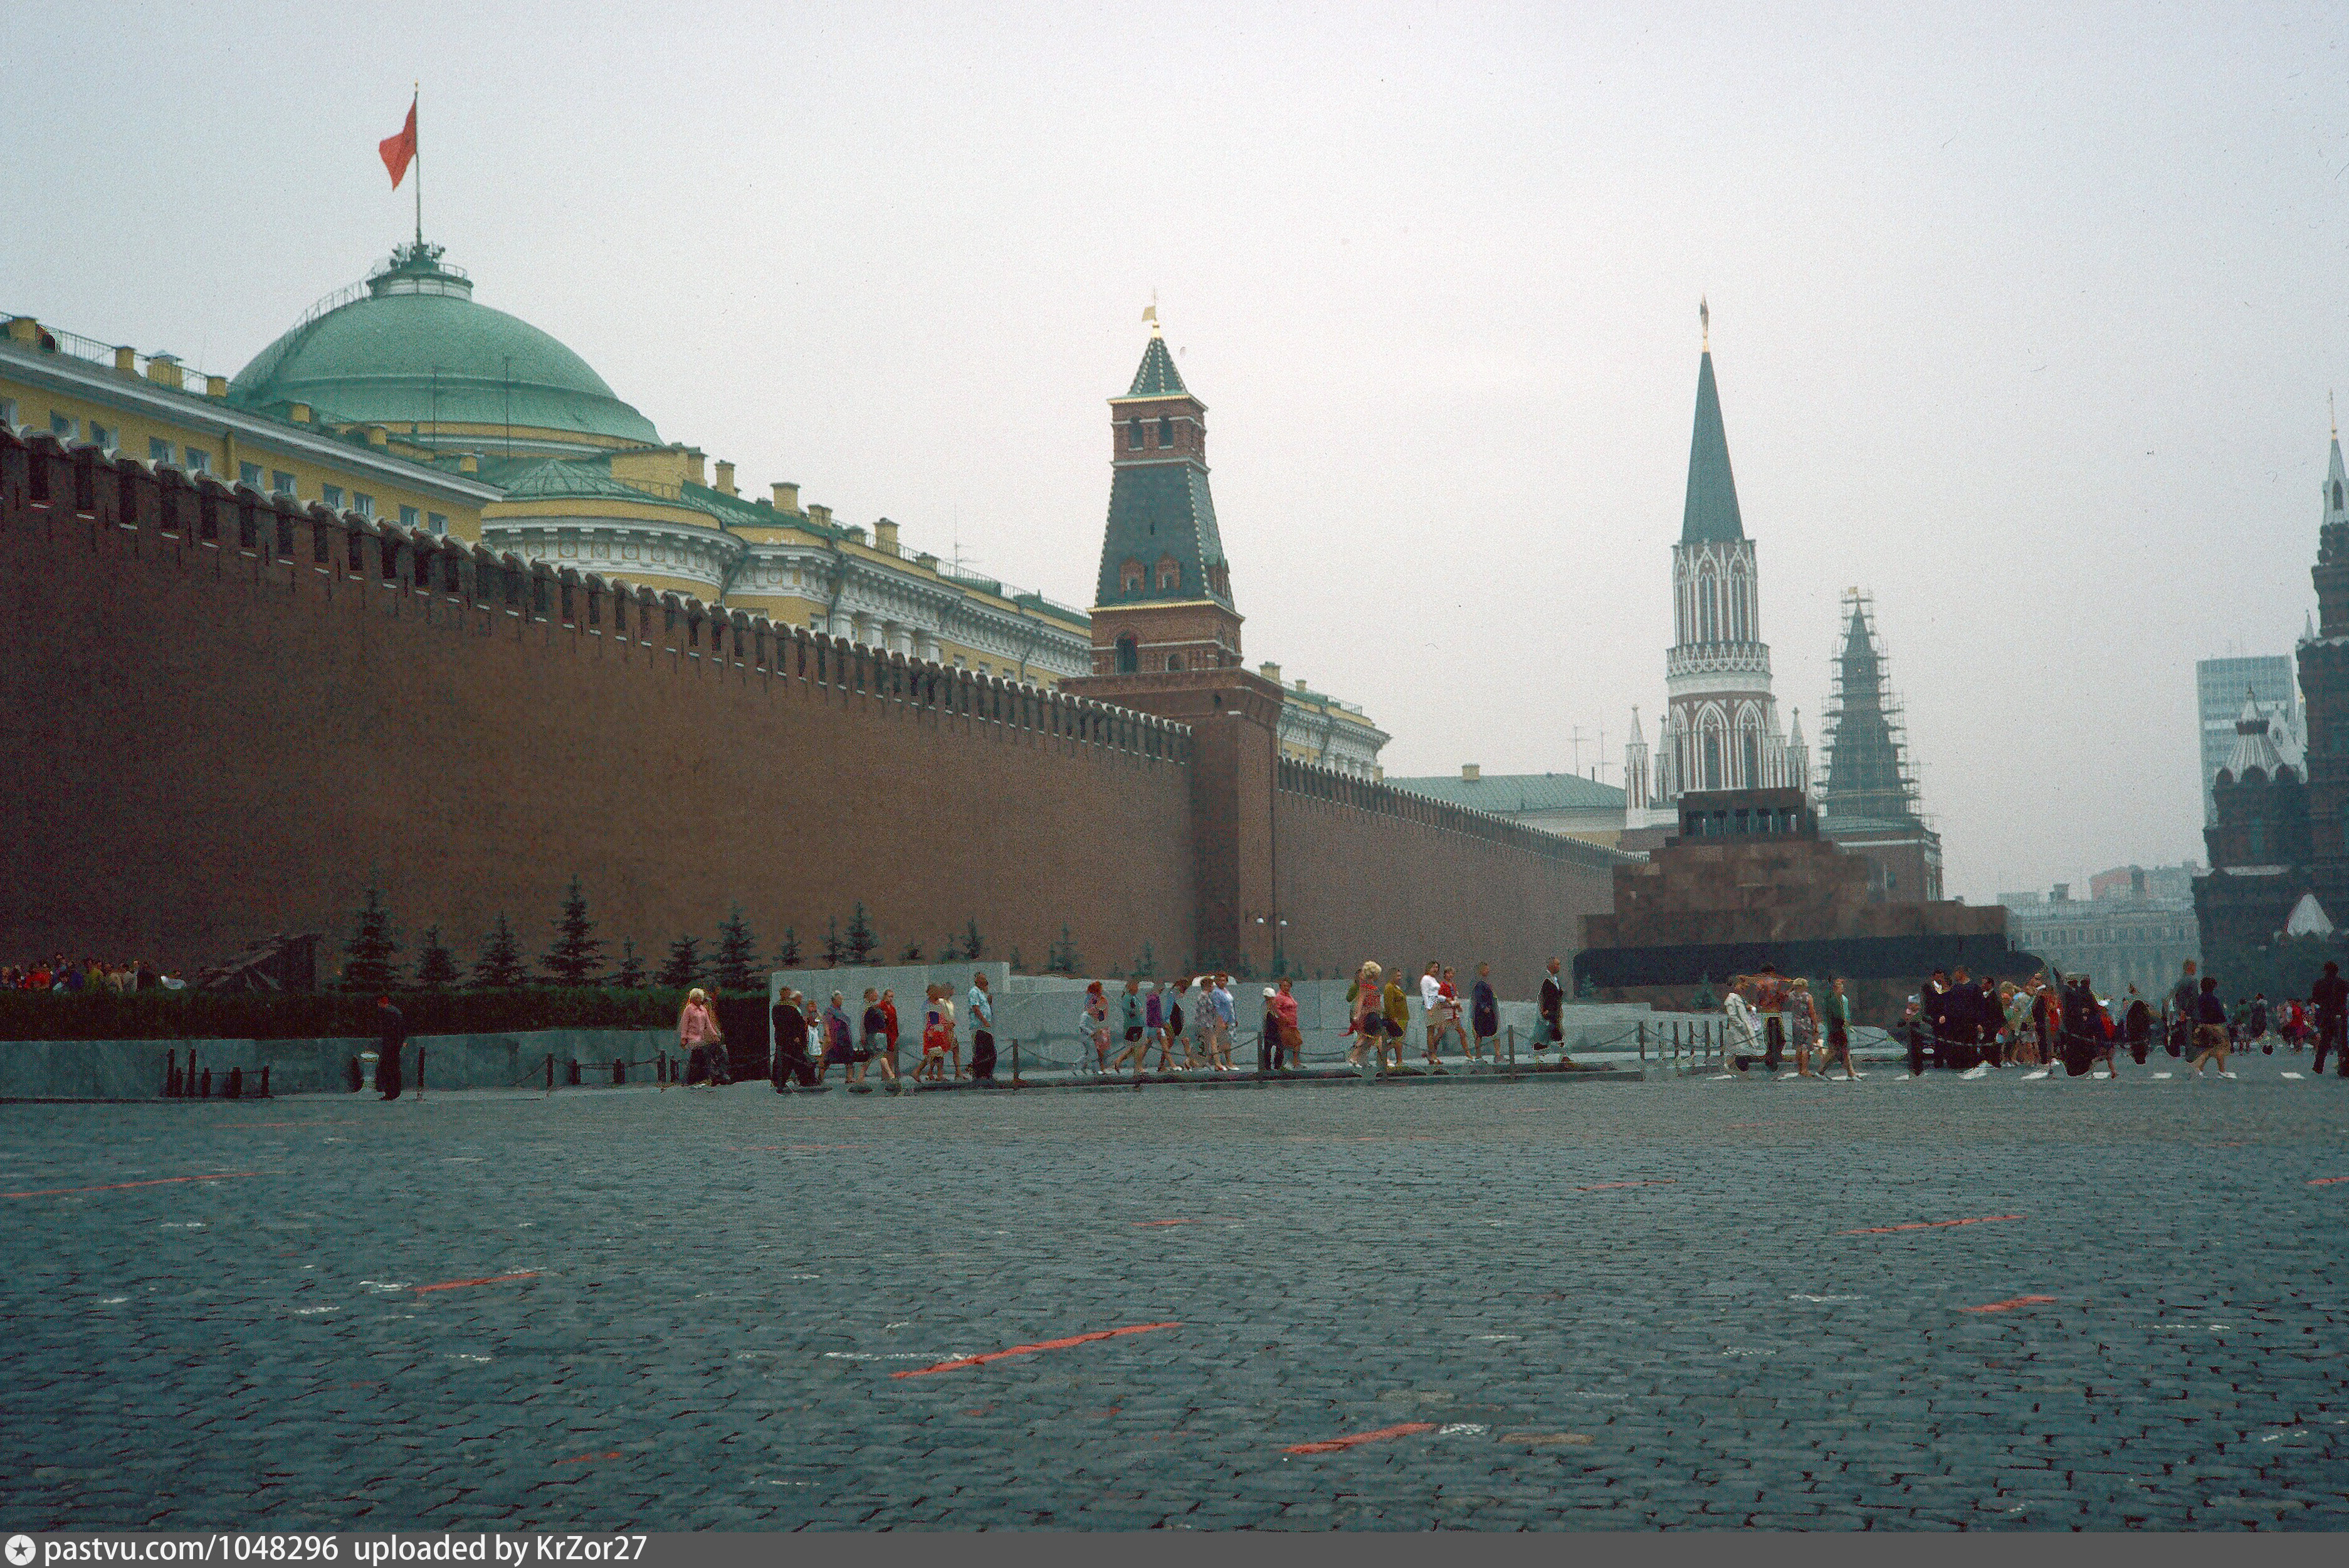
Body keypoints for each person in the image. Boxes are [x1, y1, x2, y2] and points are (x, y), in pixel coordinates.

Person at [2188, 975, 2233, 1080]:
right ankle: (2221, 1071)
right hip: (2214, 1027)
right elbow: (2219, 1014)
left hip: (2203, 1026)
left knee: (2207, 1050)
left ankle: (2198, 1070)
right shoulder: (2214, 1000)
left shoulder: (2199, 999)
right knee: (2220, 1048)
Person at [678, 987, 725, 1088]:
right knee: (701, 1059)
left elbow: (709, 1024)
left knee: (704, 1058)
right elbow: (686, 1025)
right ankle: (697, 1079)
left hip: (705, 1041)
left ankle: (712, 1077)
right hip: (699, 1040)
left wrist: (715, 1035)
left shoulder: (704, 1011)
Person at [770, 988, 814, 1088]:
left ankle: (779, 1081)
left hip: (783, 1039)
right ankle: (806, 1080)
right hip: (792, 1039)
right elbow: (791, 1024)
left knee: (785, 1060)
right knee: (796, 1059)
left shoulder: (778, 1007)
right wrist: (796, 1036)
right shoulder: (788, 1008)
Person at [1347, 962, 1384, 1070]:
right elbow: (1359, 1002)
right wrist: (1357, 1015)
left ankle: (1354, 1058)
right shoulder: (1363, 987)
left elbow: (1376, 1003)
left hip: (1373, 1015)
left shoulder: (1371, 987)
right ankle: (1385, 1060)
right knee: (1375, 1037)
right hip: (1368, 1016)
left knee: (1368, 1039)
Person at [2315, 960, 2349, 1077]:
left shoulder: (2320, 983)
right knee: (2343, 1043)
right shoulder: (2343, 983)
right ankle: (2344, 1066)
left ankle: (2318, 1066)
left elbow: (2316, 998)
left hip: (2327, 1015)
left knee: (2324, 1042)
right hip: (2340, 1015)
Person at [1821, 976, 1858, 1080]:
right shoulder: (1833, 1000)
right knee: (1835, 1052)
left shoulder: (1842, 999)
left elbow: (1845, 1013)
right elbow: (1835, 1015)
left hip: (1840, 1028)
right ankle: (1821, 1071)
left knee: (1844, 1051)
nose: (1843, 990)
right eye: (1840, 988)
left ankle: (1851, 1073)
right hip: (1836, 1029)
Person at [374, 995, 406, 1102]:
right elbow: (401, 1030)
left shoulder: (388, 1013)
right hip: (395, 1045)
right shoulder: (396, 1012)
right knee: (394, 1068)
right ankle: (394, 1092)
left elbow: (389, 1030)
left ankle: (390, 1092)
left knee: (388, 1068)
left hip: (390, 1045)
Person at [967, 971, 997, 1082]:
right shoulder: (974, 992)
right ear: (977, 981)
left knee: (990, 1052)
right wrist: (984, 1021)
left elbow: (985, 1006)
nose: (985, 981)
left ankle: (988, 1074)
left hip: (986, 1027)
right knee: (982, 1051)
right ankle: (980, 1075)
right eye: (982, 979)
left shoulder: (982, 993)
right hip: (979, 1027)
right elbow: (976, 1009)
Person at [817, 992, 854, 1083]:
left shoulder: (840, 1011)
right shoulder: (829, 1010)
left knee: (849, 1059)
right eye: (840, 999)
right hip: (835, 1039)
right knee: (828, 1059)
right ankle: (820, 1079)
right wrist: (828, 1035)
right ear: (834, 1000)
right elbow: (826, 1022)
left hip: (844, 1039)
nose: (841, 1001)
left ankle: (849, 1078)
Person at [857, 988, 890, 1087]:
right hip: (871, 1034)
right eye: (875, 994)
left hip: (875, 1033)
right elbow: (862, 1022)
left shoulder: (874, 1006)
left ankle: (861, 1077)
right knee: (878, 1054)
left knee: (872, 1056)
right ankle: (890, 1075)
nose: (877, 996)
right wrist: (863, 1035)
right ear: (870, 995)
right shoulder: (866, 1007)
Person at [2169, 960, 2201, 1059]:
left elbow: (2176, 999)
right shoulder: (2193, 981)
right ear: (2189, 968)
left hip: (2181, 1014)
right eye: (2194, 967)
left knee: (2186, 1034)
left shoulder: (2179, 982)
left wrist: (2180, 1011)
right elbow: (2194, 999)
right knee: (2191, 1037)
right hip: (2191, 1014)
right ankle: (2191, 1057)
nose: (2196, 969)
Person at [1469, 962, 1499, 1063]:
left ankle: (1498, 1055)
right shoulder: (1478, 983)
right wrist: (1484, 1007)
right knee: (1479, 1034)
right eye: (1486, 969)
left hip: (1490, 1012)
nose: (1488, 971)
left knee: (1496, 1034)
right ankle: (1478, 1056)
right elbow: (1478, 997)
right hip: (1481, 1014)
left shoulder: (1486, 983)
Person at [1082, 981, 1113, 1074]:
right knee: (1099, 1049)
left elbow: (1105, 1012)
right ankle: (1101, 1068)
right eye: (1100, 989)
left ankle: (1085, 1065)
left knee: (1101, 1049)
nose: (1102, 990)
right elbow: (1091, 1013)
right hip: (1097, 1027)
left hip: (1104, 1025)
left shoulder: (1103, 999)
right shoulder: (1091, 1000)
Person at [1271, 977, 1302, 1068]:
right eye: (1284, 986)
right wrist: (1285, 1017)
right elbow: (1276, 1008)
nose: (1286, 988)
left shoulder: (1288, 996)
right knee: (1291, 1043)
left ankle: (1294, 1062)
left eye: (1288, 986)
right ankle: (1283, 1064)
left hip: (1293, 1025)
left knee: (1297, 1043)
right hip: (1285, 1025)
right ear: (1281, 986)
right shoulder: (1280, 997)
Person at [1538, 957, 1565, 1051]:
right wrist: (1544, 1010)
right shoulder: (1546, 979)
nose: (1559, 967)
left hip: (1555, 1013)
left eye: (1559, 964)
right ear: (1550, 966)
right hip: (1549, 1013)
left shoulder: (1555, 979)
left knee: (1555, 1034)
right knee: (1549, 1034)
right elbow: (1542, 996)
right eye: (1557, 965)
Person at [2124, 986, 2153, 1067]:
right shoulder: (2141, 1003)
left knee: (2137, 1044)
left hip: (2134, 1031)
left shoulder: (2131, 1004)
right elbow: (2147, 1020)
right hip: (2141, 1030)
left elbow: (2128, 1021)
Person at [880, 987, 903, 1085]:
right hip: (885, 1033)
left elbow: (895, 1021)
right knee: (885, 1055)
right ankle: (885, 1075)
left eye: (892, 997)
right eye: (889, 996)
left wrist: (896, 1034)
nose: (891, 998)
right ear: (885, 996)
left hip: (893, 1033)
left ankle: (891, 1073)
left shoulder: (892, 1008)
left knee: (892, 1055)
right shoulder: (881, 1006)